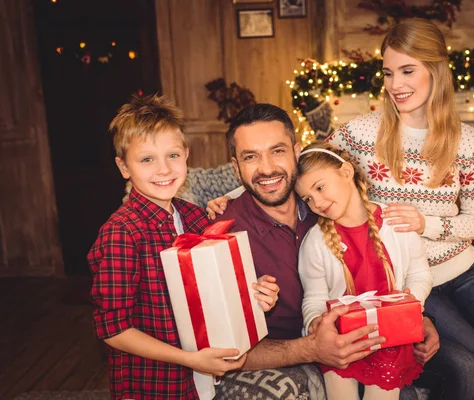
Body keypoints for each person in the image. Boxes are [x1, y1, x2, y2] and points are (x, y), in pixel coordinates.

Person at [325, 18, 474, 399]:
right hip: (418, 284)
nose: (396, 84)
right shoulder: (361, 133)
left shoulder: (466, 141)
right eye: (389, 73)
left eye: (408, 70)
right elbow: (309, 163)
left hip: (468, 273)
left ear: (436, 71)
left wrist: (426, 223)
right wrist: (236, 194)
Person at [209, 103, 444, 400]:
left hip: (382, 335)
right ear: (236, 167)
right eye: (251, 157)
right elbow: (221, 350)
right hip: (298, 351)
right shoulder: (222, 232)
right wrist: (311, 345)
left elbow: (402, 269)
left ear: (296, 153)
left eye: (277, 151)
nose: (267, 167)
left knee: (463, 367)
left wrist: (418, 317)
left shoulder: (322, 205)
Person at [87, 94, 279, 400]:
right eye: (147, 159)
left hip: (202, 379)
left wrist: (256, 297)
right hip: (155, 384)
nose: (163, 169)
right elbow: (113, 330)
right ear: (124, 167)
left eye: (172, 156)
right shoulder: (121, 233)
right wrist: (189, 360)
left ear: (186, 155)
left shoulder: (194, 217)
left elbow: (213, 290)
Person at [296, 142, 433, 400]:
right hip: (342, 339)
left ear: (346, 172)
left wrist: (410, 304)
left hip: (389, 338)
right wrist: (314, 321)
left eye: (320, 187)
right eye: (308, 198)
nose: (317, 202)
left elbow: (420, 273)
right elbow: (313, 297)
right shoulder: (315, 242)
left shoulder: (396, 225)